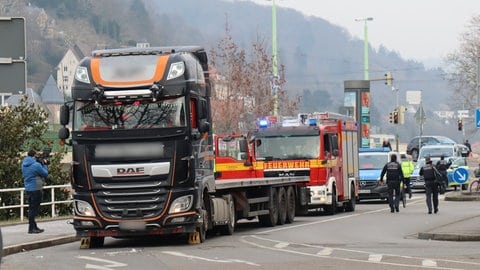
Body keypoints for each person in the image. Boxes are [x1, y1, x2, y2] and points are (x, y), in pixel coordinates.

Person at [21, 149, 48, 234]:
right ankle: (31, 228)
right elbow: (45, 173)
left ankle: (34, 226)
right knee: (34, 209)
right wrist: (44, 164)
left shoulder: (24, 164)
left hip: (28, 188)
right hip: (36, 188)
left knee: (31, 208)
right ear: (34, 156)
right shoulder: (36, 165)